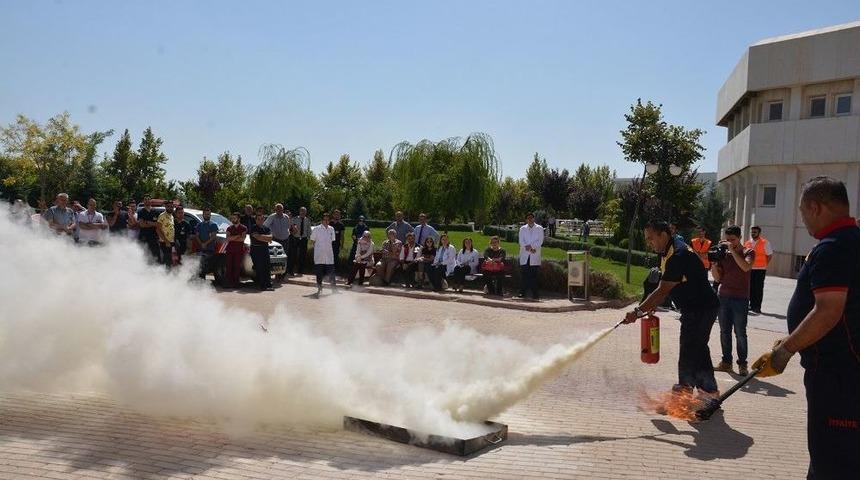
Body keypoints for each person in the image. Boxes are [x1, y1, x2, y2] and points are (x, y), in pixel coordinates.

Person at [751, 176, 860, 479]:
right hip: (844, 372)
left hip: (839, 376)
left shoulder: (834, 247)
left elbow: (828, 311)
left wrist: (785, 350)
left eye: (802, 212)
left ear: (815, 207)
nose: (803, 220)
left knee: (833, 462)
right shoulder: (852, 240)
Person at [623, 220, 720, 399]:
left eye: (651, 238)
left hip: (701, 308)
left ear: (663, 235)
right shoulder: (666, 252)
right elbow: (667, 285)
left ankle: (702, 390)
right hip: (694, 308)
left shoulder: (678, 254)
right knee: (694, 346)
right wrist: (652, 304)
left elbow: (662, 290)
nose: (649, 242)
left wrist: (637, 312)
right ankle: (696, 388)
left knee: (693, 347)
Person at [711, 225, 755, 376]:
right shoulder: (724, 254)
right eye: (727, 239)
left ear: (740, 238)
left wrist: (732, 250)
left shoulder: (748, 252)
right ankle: (726, 362)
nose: (729, 242)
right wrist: (714, 263)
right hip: (723, 297)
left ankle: (742, 364)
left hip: (741, 298)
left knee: (740, 333)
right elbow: (717, 278)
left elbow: (746, 267)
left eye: (733, 240)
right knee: (724, 332)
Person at [744, 226, 773, 314]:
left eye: (755, 232)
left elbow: (769, 255)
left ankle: (757, 307)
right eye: (752, 232)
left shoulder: (765, 242)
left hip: (760, 269)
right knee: (750, 287)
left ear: (759, 233)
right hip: (750, 268)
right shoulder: (747, 243)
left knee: (758, 288)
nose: (753, 234)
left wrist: (765, 264)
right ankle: (750, 305)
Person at [518, 212, 544, 300]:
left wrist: (532, 247)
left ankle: (535, 294)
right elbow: (521, 241)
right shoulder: (522, 229)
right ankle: (522, 293)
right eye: (528, 218)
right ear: (526, 219)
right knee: (524, 275)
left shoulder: (539, 228)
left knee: (533, 275)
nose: (530, 219)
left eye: (531, 218)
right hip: (525, 254)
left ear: (534, 219)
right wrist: (529, 248)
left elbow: (540, 241)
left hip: (534, 254)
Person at [310, 212, 337, 295]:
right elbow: (312, 240)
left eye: (328, 220)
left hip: (329, 255)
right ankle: (319, 288)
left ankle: (334, 289)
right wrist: (317, 249)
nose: (326, 221)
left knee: (331, 272)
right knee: (319, 273)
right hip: (319, 255)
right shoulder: (316, 229)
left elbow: (332, 240)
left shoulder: (331, 229)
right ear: (322, 220)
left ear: (329, 221)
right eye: (324, 220)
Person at [265, 204, 291, 279]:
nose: (279, 211)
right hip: (276, 240)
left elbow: (289, 227)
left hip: (285, 239)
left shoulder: (286, 217)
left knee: (284, 257)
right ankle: (275, 274)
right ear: (275, 210)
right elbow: (265, 226)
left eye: (281, 209)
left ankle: (282, 274)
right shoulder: (272, 217)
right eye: (278, 209)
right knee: (276, 258)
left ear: (283, 209)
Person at [249, 212, 274, 291]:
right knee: (260, 268)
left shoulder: (266, 228)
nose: (260, 220)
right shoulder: (253, 227)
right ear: (256, 220)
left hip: (265, 249)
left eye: (262, 219)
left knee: (267, 267)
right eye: (258, 219)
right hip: (256, 249)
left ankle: (268, 284)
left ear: (264, 220)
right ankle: (262, 286)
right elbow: (257, 237)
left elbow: (270, 238)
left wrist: (261, 237)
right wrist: (265, 238)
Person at [195, 207, 220, 279]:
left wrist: (205, 244)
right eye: (205, 214)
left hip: (210, 249)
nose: (207, 215)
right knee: (198, 265)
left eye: (208, 214)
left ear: (210, 215)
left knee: (204, 266)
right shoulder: (199, 225)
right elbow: (197, 236)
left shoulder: (213, 225)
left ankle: (203, 281)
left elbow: (213, 236)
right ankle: (200, 281)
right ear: (203, 215)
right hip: (201, 249)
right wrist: (201, 244)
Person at [225, 213, 247, 287]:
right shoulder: (229, 228)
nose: (233, 219)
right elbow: (228, 238)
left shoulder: (244, 228)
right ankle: (228, 282)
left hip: (239, 250)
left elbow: (242, 239)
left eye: (235, 218)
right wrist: (237, 236)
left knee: (237, 266)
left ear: (239, 219)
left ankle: (236, 283)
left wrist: (232, 237)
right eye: (232, 218)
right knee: (229, 266)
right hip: (230, 250)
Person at [288, 206, 311, 276]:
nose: (303, 212)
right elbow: (290, 227)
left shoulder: (307, 220)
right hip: (295, 238)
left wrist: (308, 237)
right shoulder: (294, 219)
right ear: (299, 211)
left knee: (302, 255)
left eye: (304, 211)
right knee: (293, 255)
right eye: (301, 211)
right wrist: (292, 232)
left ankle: (300, 271)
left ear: (306, 212)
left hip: (304, 239)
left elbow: (309, 230)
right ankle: (290, 270)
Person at [137, 196, 160, 261]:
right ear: (143, 201)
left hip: (154, 237)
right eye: (145, 199)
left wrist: (147, 222)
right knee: (143, 255)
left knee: (156, 255)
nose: (147, 200)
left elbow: (158, 224)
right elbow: (142, 225)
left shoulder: (155, 211)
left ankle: (156, 267)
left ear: (151, 201)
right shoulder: (141, 211)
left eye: (148, 199)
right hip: (144, 237)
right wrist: (153, 224)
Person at [156, 201, 176, 268]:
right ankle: (164, 274)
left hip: (170, 242)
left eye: (172, 206)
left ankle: (169, 273)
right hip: (164, 242)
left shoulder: (172, 216)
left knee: (170, 261)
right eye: (168, 206)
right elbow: (158, 230)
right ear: (165, 207)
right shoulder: (162, 216)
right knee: (166, 262)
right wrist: (166, 241)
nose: (170, 208)